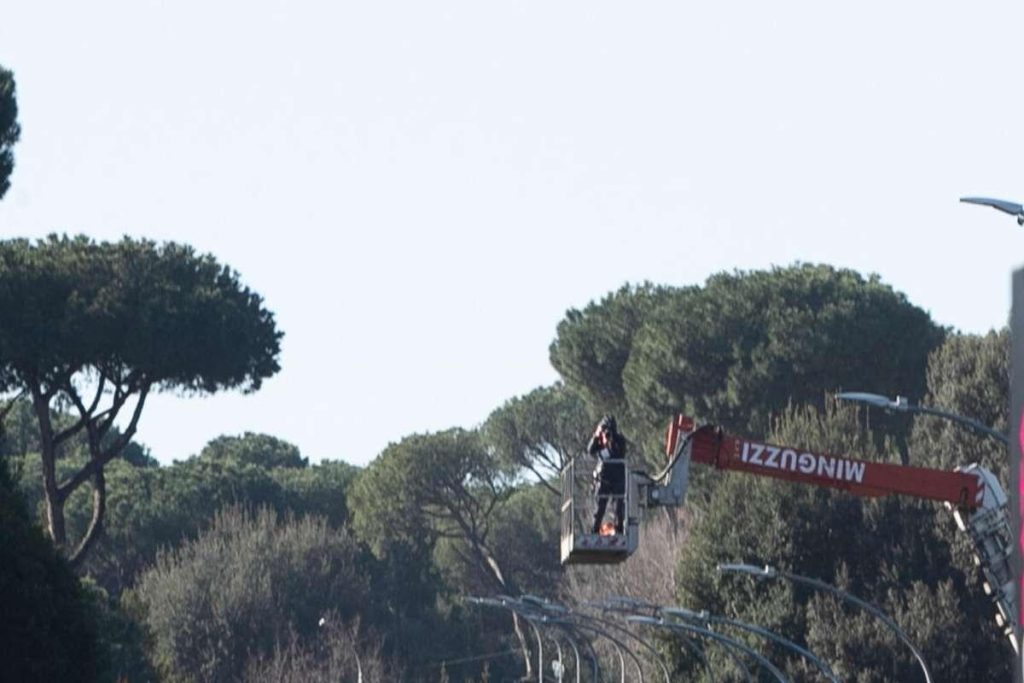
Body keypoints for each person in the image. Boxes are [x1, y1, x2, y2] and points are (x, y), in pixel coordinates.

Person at [588, 415, 627, 534]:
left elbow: (620, 452)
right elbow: (590, 450)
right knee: (600, 506)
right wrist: (597, 435)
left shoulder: (619, 439)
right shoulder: (600, 440)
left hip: (617, 477)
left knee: (618, 507)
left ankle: (619, 529)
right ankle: (595, 529)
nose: (607, 432)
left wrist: (612, 437)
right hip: (604, 477)